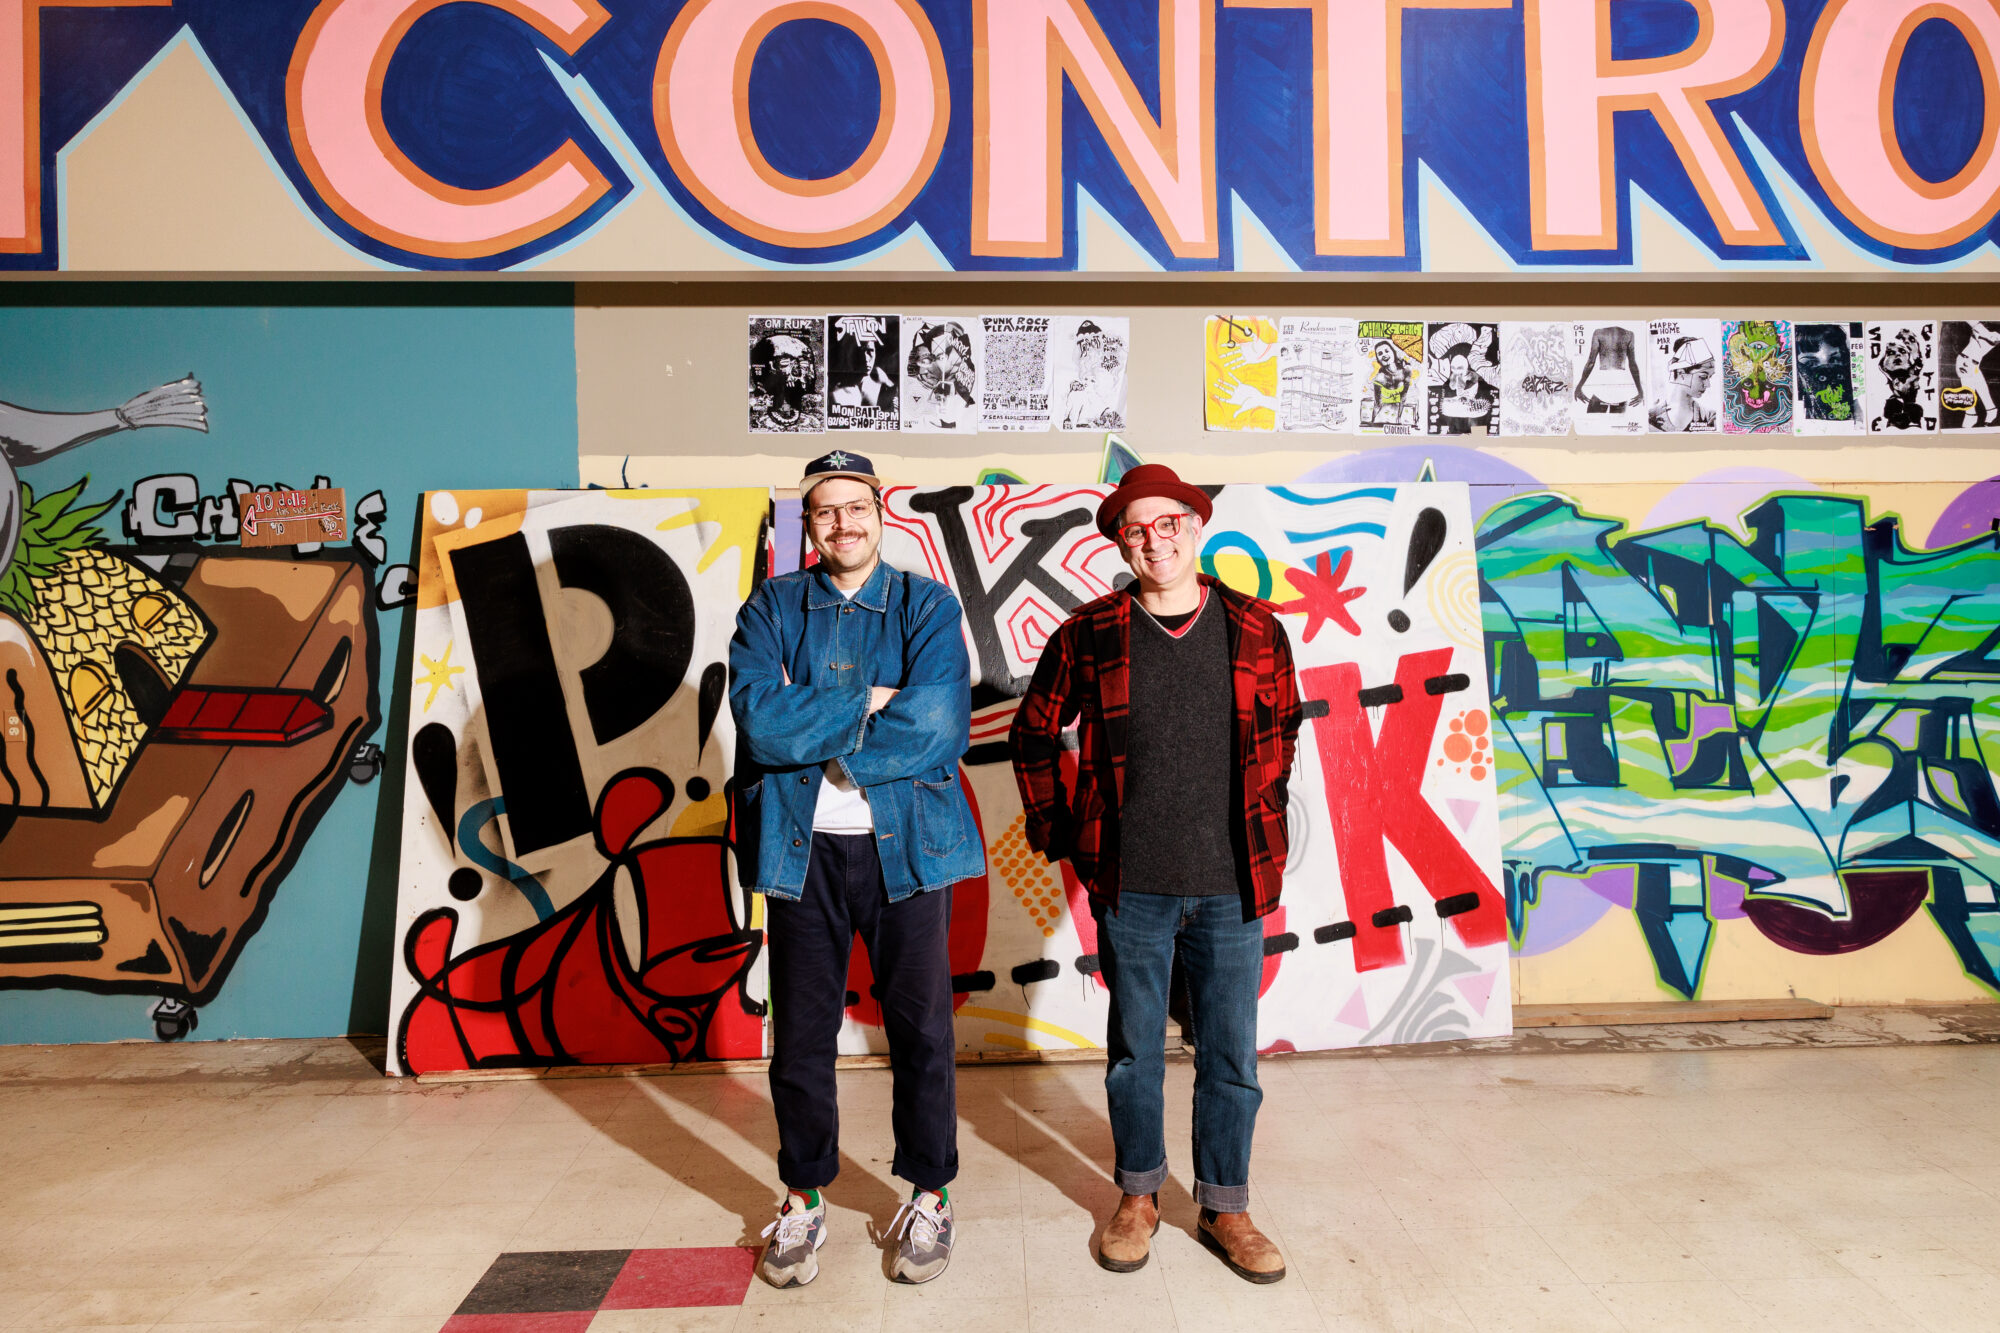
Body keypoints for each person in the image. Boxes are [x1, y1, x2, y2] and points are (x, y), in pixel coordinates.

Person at [1009, 463, 1304, 1285]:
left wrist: (1263, 813)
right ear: (1120, 542)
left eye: (1167, 523)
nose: (1154, 540)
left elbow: (1284, 730)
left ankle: (1225, 1206)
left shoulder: (1256, 628)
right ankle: (1138, 1196)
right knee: (1135, 1052)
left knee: (1231, 1054)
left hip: (1233, 882)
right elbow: (1033, 732)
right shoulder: (1090, 632)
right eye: (1134, 529)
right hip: (1130, 883)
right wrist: (1059, 826)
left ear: (1195, 526)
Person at [729, 450, 983, 1288]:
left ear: (881, 512)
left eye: (856, 507)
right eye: (826, 510)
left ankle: (931, 1194)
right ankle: (804, 1198)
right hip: (801, 850)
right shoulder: (772, 607)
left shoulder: (926, 605)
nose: (843, 523)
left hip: (907, 851)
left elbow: (939, 724)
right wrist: (869, 701)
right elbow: (759, 721)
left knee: (922, 1032)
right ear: (809, 521)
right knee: (801, 1039)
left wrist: (817, 719)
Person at [1649, 335, 1717, 432]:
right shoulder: (1651, 416)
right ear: (1681, 373)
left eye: (1710, 377)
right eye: (1703, 377)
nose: (1708, 385)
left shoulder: (1709, 417)